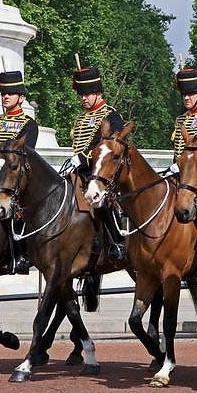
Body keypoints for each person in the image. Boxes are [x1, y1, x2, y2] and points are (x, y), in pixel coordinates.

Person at [0, 70, 38, 275]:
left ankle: (18, 255)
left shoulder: (28, 124)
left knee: (15, 207)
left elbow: (25, 156)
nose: (5, 96)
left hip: (15, 176)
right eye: (3, 93)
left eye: (10, 93)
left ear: (21, 98)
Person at [68, 65, 127, 260]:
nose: (83, 98)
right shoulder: (80, 119)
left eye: (88, 94)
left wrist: (84, 158)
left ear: (98, 93)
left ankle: (117, 242)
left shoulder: (111, 115)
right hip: (81, 171)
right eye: (81, 94)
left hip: (103, 173)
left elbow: (108, 148)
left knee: (103, 201)